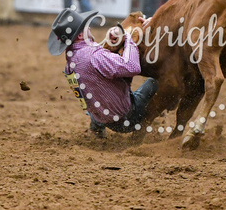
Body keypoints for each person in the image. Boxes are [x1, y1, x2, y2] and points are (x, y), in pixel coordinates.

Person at [48, 8, 158, 137]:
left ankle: (97, 124)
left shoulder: (70, 64)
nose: (89, 28)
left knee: (92, 87)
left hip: (102, 116)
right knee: (158, 82)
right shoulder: (94, 56)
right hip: (128, 119)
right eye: (86, 27)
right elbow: (132, 66)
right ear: (79, 35)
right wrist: (129, 37)